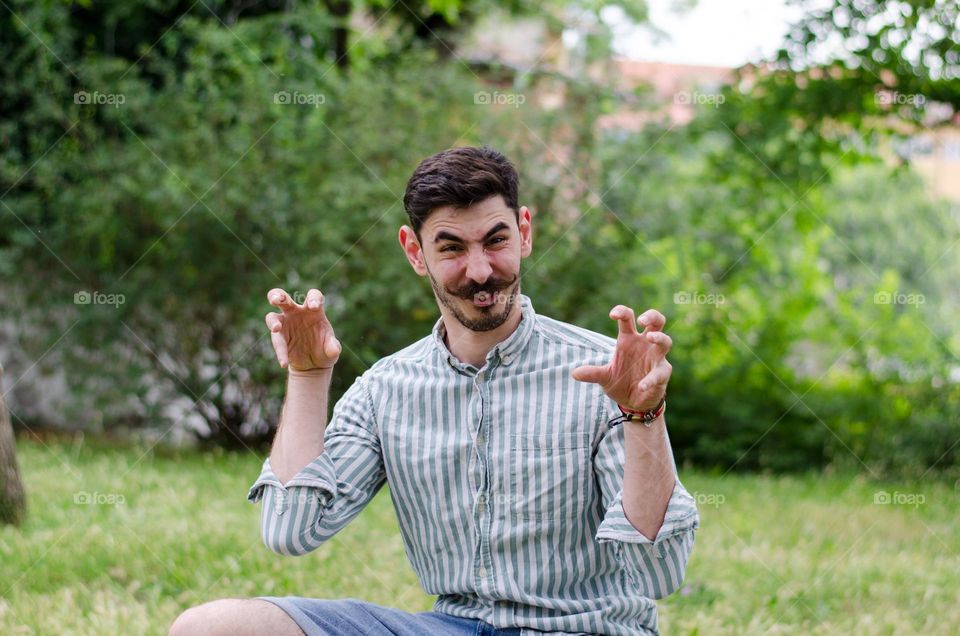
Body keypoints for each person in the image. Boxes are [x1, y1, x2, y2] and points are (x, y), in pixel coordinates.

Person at [169, 146, 699, 636]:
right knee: (211, 628)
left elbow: (659, 574)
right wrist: (308, 378)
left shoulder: (605, 375)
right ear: (415, 252)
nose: (479, 270)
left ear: (525, 231)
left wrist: (641, 416)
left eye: (496, 240)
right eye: (451, 248)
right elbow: (290, 531)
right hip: (452, 627)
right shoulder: (385, 390)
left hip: (586, 629)